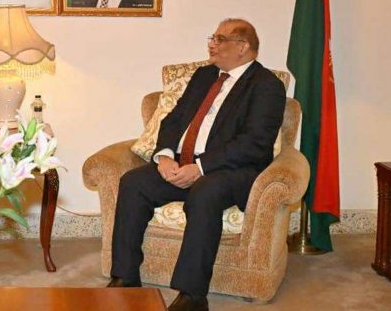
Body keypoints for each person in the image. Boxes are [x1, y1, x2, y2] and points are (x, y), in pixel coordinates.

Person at [107, 19, 286, 311]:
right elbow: (175, 119)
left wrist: (201, 167)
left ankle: (192, 295)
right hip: (183, 162)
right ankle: (125, 278)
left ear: (242, 47)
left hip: (231, 171)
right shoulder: (204, 75)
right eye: (212, 38)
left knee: (205, 192)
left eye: (220, 39)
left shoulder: (266, 86)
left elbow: (254, 143)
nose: (211, 44)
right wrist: (165, 155)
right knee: (134, 182)